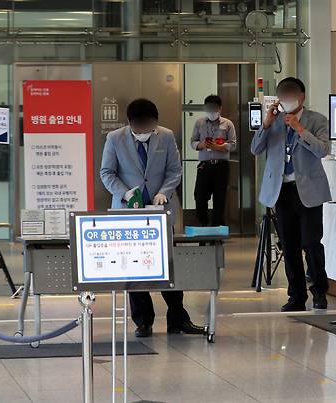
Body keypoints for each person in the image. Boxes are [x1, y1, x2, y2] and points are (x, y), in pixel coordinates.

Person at [100, 98, 205, 338]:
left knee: (167, 265)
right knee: (134, 269)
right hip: (128, 213)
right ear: (130, 124)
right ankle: (143, 321)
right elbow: (106, 172)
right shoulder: (115, 138)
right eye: (140, 127)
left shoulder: (165, 136)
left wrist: (163, 193)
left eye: (149, 126)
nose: (145, 131)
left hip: (160, 212)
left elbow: (174, 170)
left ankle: (177, 317)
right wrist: (125, 193)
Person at [250, 77, 332, 311]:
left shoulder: (317, 120)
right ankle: (296, 296)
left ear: (301, 96)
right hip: (281, 191)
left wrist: (300, 129)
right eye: (282, 95)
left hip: (309, 191)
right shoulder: (273, 120)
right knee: (289, 245)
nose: (286, 100)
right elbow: (255, 149)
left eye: (291, 95)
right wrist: (266, 124)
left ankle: (319, 291)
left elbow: (322, 150)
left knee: (311, 243)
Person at [190, 94, 237, 226]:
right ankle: (203, 227)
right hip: (204, 166)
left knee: (219, 199)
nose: (211, 111)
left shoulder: (228, 124)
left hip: (221, 166)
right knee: (199, 197)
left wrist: (218, 147)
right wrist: (201, 145)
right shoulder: (199, 123)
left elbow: (233, 145)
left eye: (214, 108)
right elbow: (193, 141)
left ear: (220, 108)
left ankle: (217, 232)